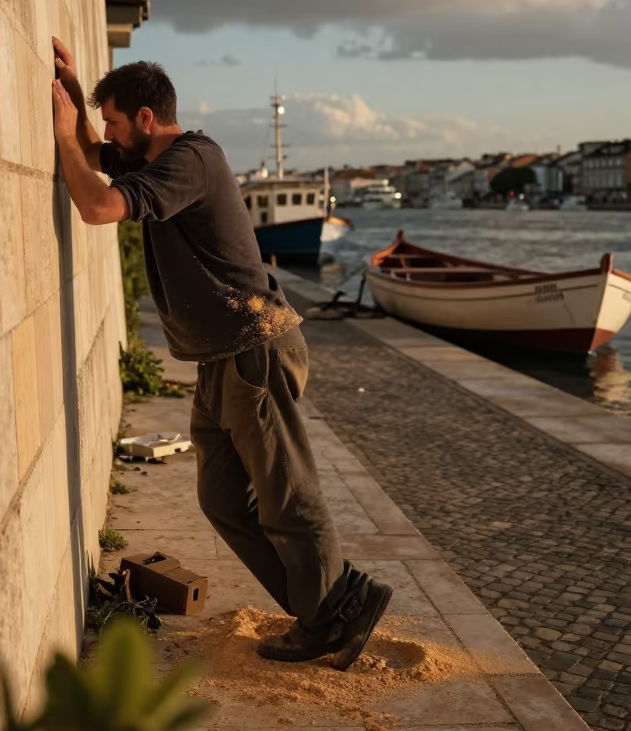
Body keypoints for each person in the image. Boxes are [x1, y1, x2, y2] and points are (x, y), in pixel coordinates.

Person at [49, 37, 392, 669]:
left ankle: (333, 614)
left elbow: (97, 203)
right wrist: (73, 96)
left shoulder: (189, 161)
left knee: (287, 494)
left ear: (146, 120)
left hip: (253, 350)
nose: (108, 136)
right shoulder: (153, 160)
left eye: (116, 121)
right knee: (222, 500)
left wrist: (67, 140)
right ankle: (332, 606)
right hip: (220, 358)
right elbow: (99, 156)